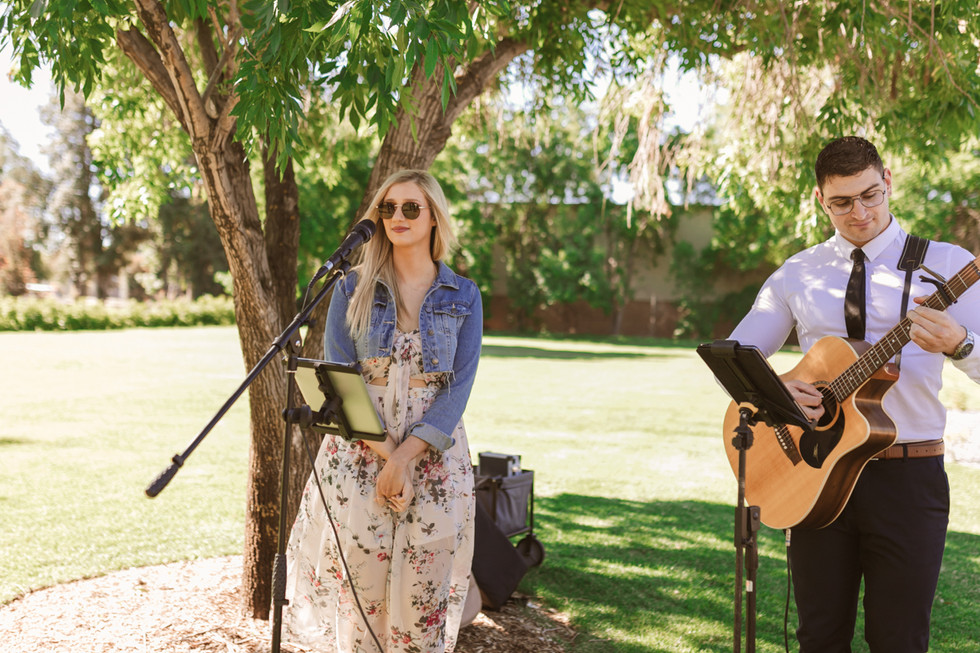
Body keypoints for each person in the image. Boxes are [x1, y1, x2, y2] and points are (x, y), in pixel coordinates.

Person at [728, 136, 980, 652]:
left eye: (869, 195)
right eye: (842, 202)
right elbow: (734, 356)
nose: (859, 213)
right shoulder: (799, 273)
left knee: (899, 639)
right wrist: (775, 390)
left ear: (887, 182)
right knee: (819, 636)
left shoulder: (948, 264)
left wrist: (960, 344)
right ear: (820, 199)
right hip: (816, 474)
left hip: (908, 479)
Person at [283, 170, 483, 652]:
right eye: (387, 208)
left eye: (411, 207)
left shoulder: (464, 295)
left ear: (434, 217)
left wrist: (405, 459)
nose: (397, 217)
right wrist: (388, 457)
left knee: (421, 599)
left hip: (433, 459)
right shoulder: (350, 288)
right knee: (360, 600)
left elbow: (457, 389)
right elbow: (339, 380)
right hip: (359, 452)